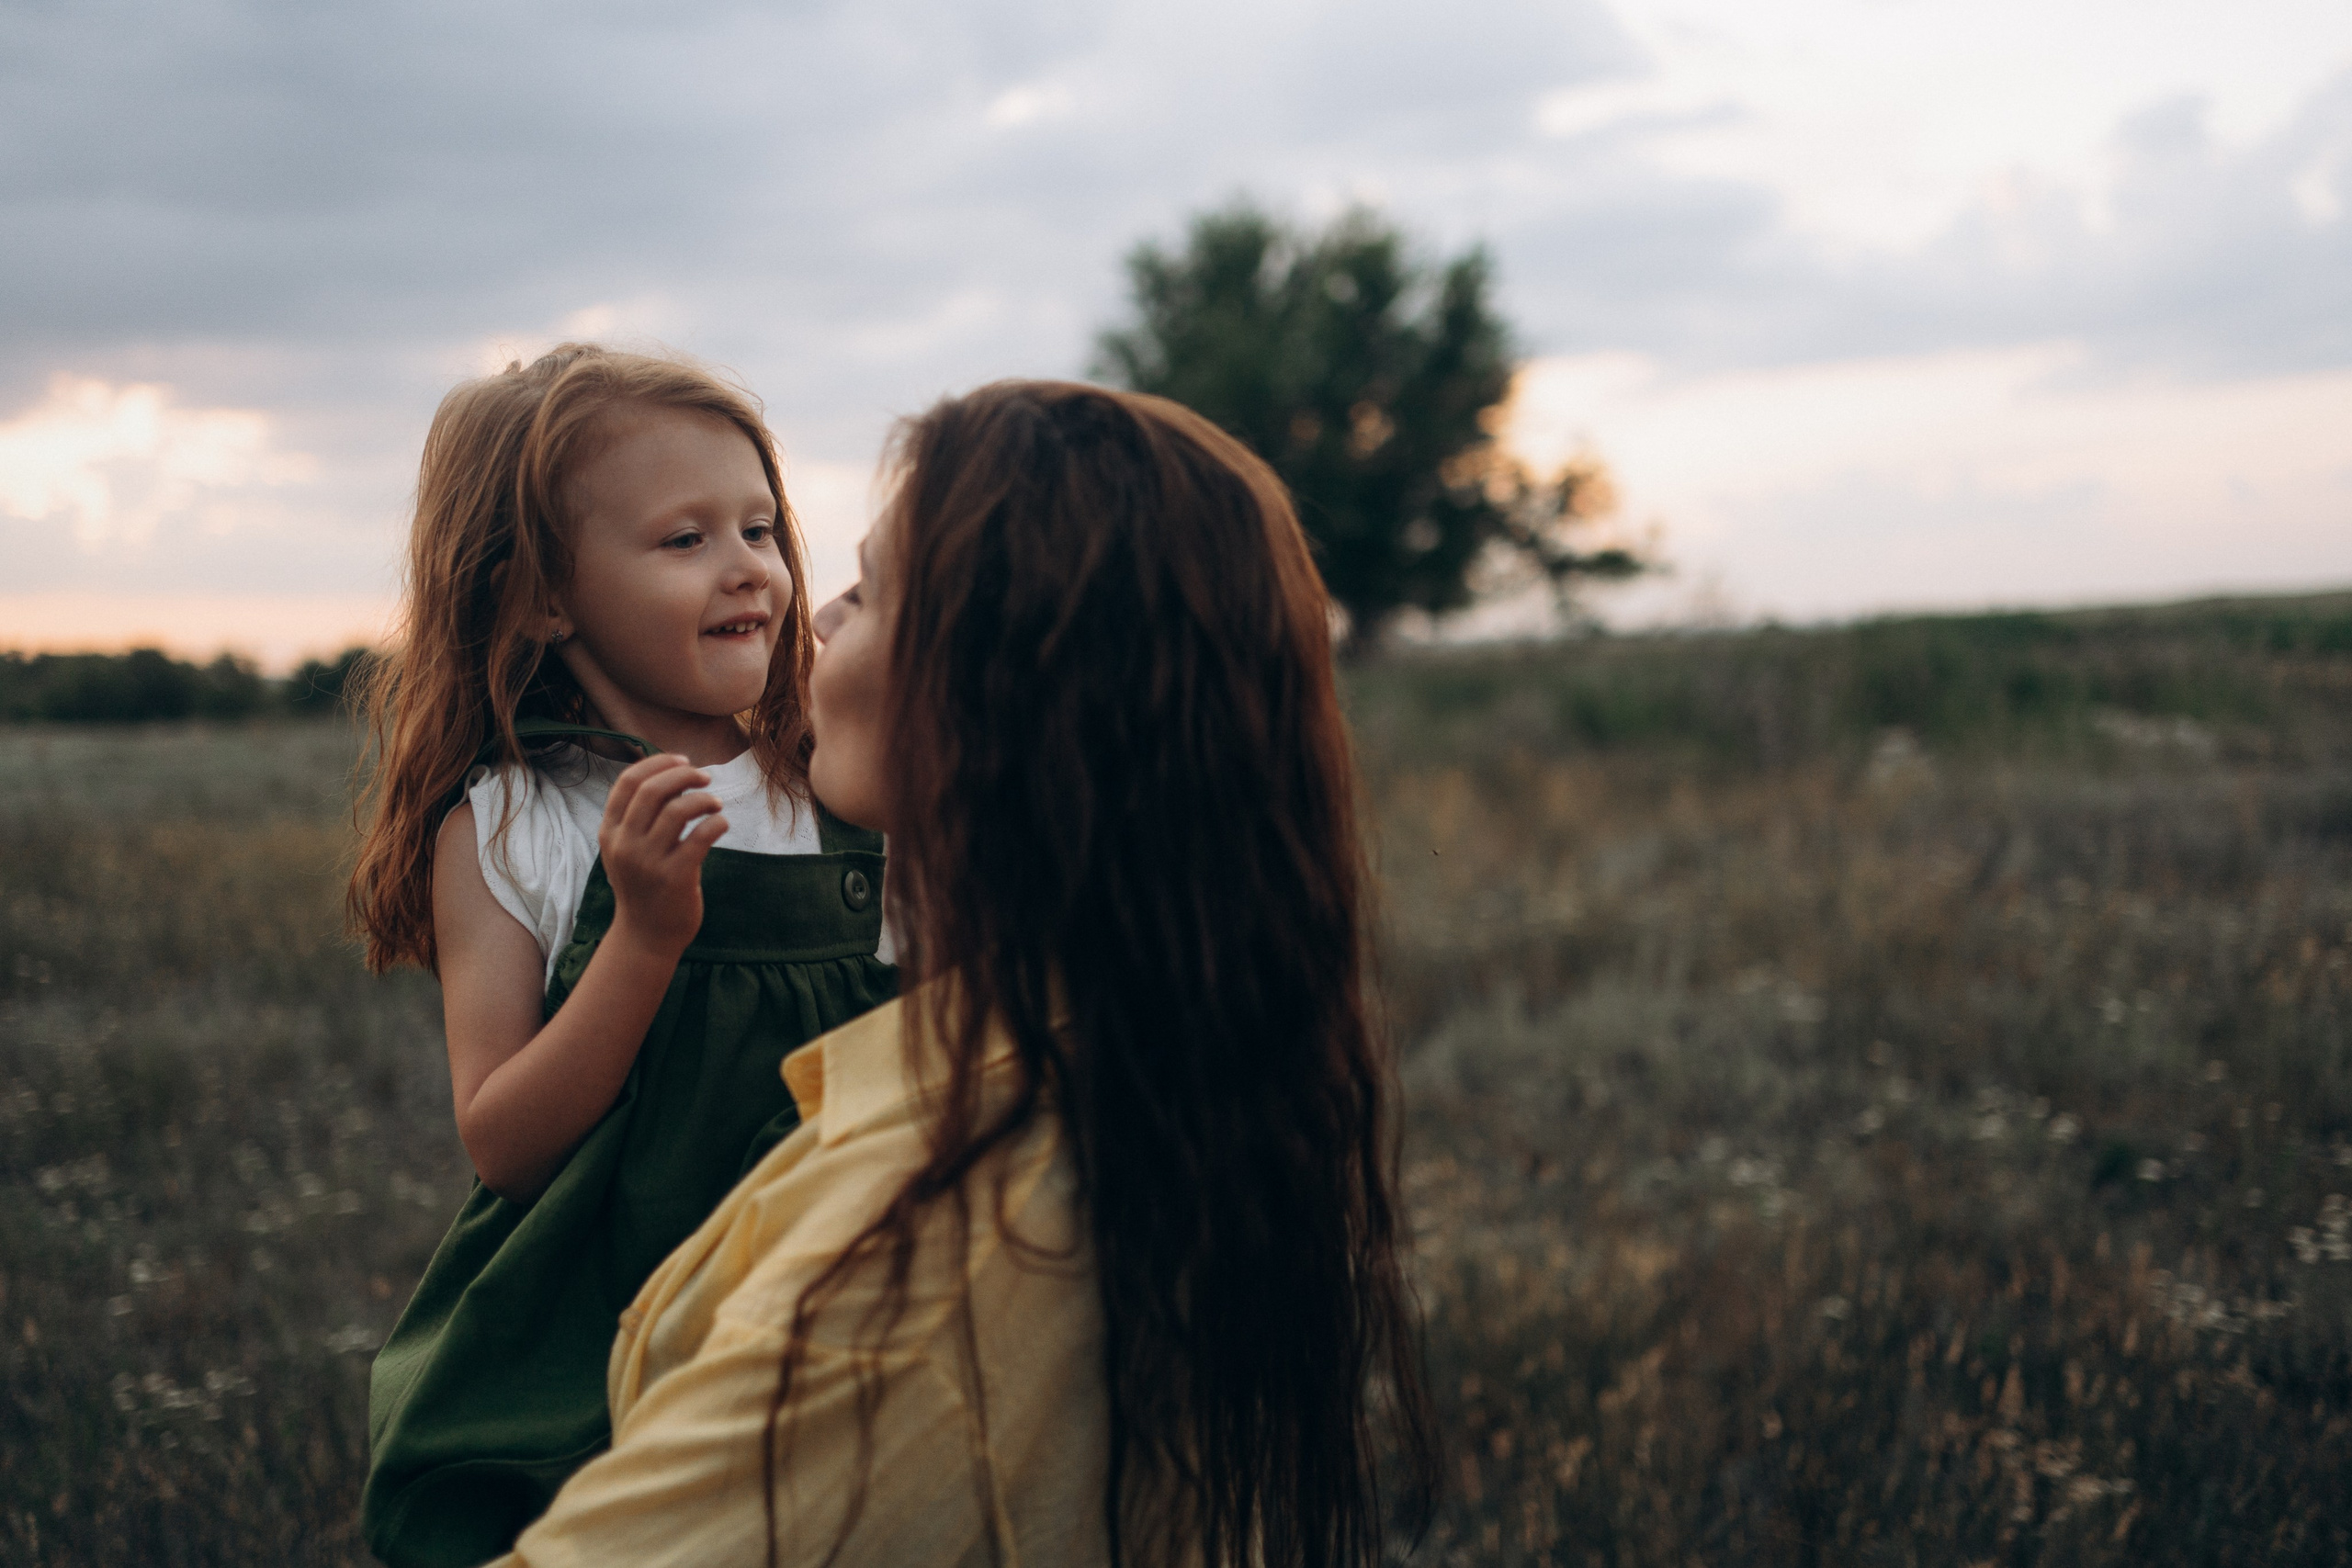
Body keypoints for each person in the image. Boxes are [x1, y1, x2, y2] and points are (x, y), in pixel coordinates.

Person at [485, 379, 1436, 1567]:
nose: (816, 615)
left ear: (994, 692)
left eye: (872, 590)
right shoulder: (1149, 1069)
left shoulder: (906, 1287)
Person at [345, 344, 898, 1568]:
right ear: (545, 596)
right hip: (600, 1315)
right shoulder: (510, 825)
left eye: (761, 527)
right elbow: (503, 1141)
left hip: (825, 1296)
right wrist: (644, 937)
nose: (750, 566)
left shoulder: (836, 788)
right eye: (684, 539)